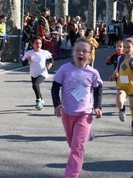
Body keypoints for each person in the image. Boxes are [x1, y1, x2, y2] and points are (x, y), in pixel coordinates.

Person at [51, 37, 103, 178]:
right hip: (67, 113)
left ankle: (71, 175)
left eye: (84, 51)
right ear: (73, 52)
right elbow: (55, 87)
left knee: (77, 147)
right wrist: (57, 104)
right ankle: (87, 134)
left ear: (90, 55)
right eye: (78, 50)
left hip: (85, 113)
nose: (81, 54)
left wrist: (97, 106)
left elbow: (98, 89)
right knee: (71, 143)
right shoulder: (64, 69)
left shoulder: (93, 73)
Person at [109, 38, 133, 136]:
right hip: (122, 86)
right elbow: (117, 69)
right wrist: (114, 75)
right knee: (119, 101)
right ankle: (122, 109)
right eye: (124, 47)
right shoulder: (120, 58)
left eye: (128, 47)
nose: (126, 49)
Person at [22, 36, 54, 110]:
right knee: (36, 87)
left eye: (40, 43)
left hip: (42, 73)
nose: (38, 45)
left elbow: (51, 59)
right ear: (33, 44)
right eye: (36, 43)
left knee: (35, 85)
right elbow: (23, 63)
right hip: (33, 73)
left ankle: (38, 100)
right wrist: (28, 59)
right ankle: (42, 100)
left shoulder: (44, 52)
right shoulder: (29, 53)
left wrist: (50, 64)